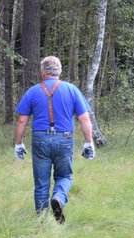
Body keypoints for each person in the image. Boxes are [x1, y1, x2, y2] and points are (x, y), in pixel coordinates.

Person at [14, 56, 95, 224]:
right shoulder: (72, 90)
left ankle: (42, 222)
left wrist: (18, 143)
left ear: (42, 72)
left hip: (40, 140)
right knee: (64, 176)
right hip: (64, 139)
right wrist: (89, 142)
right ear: (59, 71)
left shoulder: (33, 91)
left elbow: (22, 120)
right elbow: (85, 119)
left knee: (41, 183)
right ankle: (58, 197)